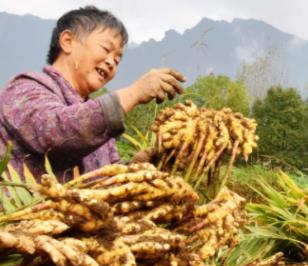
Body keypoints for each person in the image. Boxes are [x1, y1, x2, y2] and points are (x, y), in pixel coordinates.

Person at [0, 6, 185, 181]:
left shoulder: (102, 131)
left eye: (117, 60)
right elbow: (54, 133)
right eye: (106, 49)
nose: (111, 62)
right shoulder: (23, 89)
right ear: (67, 41)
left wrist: (140, 167)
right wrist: (133, 94)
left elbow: (108, 183)